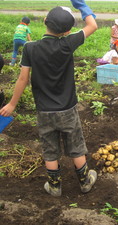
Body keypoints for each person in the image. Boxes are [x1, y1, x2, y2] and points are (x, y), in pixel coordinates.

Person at [0, 0, 98, 197]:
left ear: (45, 21)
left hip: (44, 110)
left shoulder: (30, 48)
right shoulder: (68, 43)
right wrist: (81, 4)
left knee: (49, 148)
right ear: (67, 32)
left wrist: (12, 103)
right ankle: (85, 181)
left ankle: (54, 186)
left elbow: (23, 78)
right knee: (76, 145)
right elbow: (92, 25)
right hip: (67, 109)